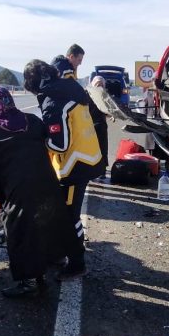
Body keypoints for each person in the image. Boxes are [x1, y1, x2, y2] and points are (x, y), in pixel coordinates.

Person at [0, 86, 84, 296]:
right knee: (49, 220)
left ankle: (30, 281)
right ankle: (56, 257)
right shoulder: (32, 122)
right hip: (48, 184)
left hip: (18, 191)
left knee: (20, 232)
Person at [22, 59, 101, 279]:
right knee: (64, 212)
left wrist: (37, 139)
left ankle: (77, 262)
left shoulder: (53, 101)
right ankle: (58, 252)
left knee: (69, 216)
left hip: (73, 166)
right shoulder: (70, 87)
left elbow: (59, 144)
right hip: (86, 157)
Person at [53, 44, 108, 180]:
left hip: (77, 119)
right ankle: (65, 177)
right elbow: (72, 92)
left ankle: (71, 174)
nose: (80, 63)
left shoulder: (68, 70)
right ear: (71, 56)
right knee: (63, 148)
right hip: (63, 117)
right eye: (79, 60)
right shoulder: (64, 71)